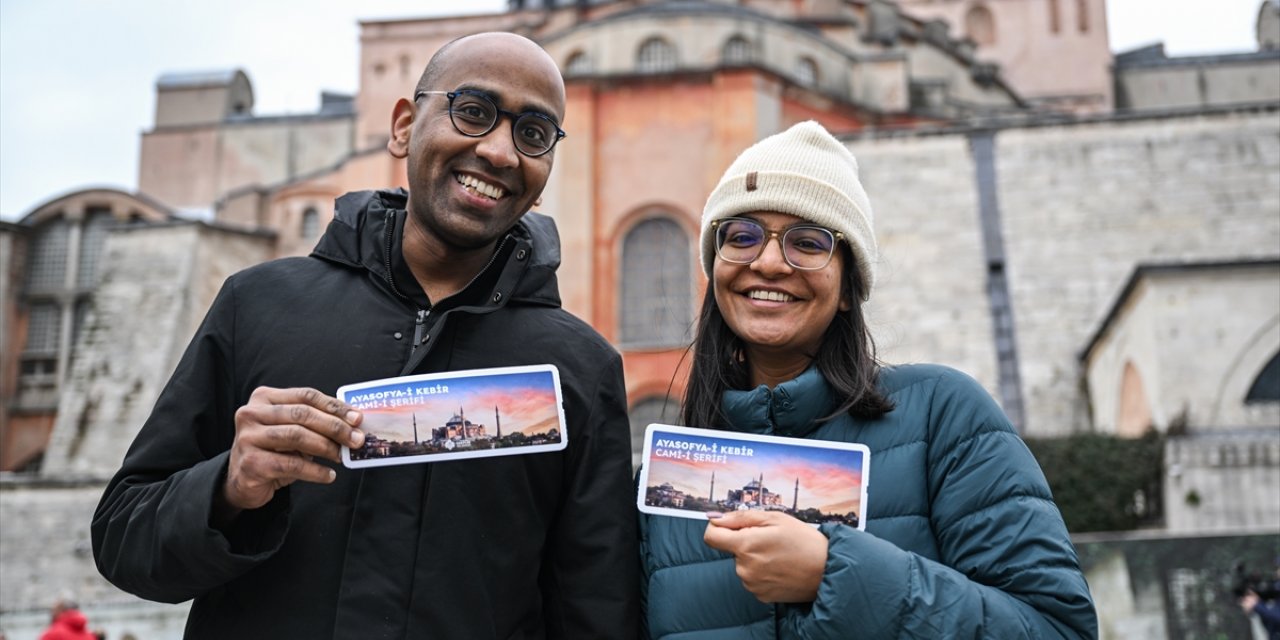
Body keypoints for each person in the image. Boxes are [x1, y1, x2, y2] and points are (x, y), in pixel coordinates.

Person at [92, 32, 638, 639]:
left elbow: (596, 611)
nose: (500, 152)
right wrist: (227, 487)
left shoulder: (580, 369)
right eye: (473, 112)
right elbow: (123, 540)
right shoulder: (258, 304)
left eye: (533, 134)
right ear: (404, 126)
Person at [637, 121, 1098, 638]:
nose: (767, 262)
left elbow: (1059, 629)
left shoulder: (943, 415)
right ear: (716, 266)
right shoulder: (671, 474)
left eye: (807, 242)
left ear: (850, 286)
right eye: (741, 236)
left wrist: (836, 574)